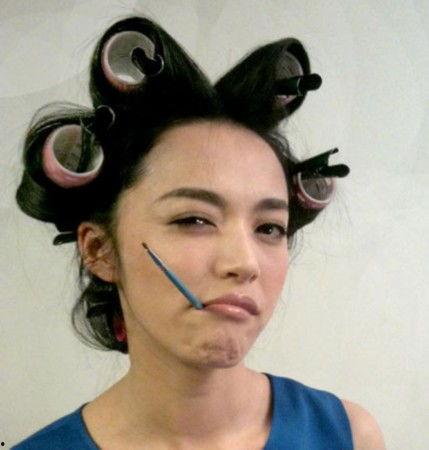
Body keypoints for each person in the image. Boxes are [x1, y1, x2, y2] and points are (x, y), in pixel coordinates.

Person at [12, 15, 385, 450]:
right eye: (194, 220)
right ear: (99, 250)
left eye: (269, 228)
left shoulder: (349, 436)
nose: (244, 263)